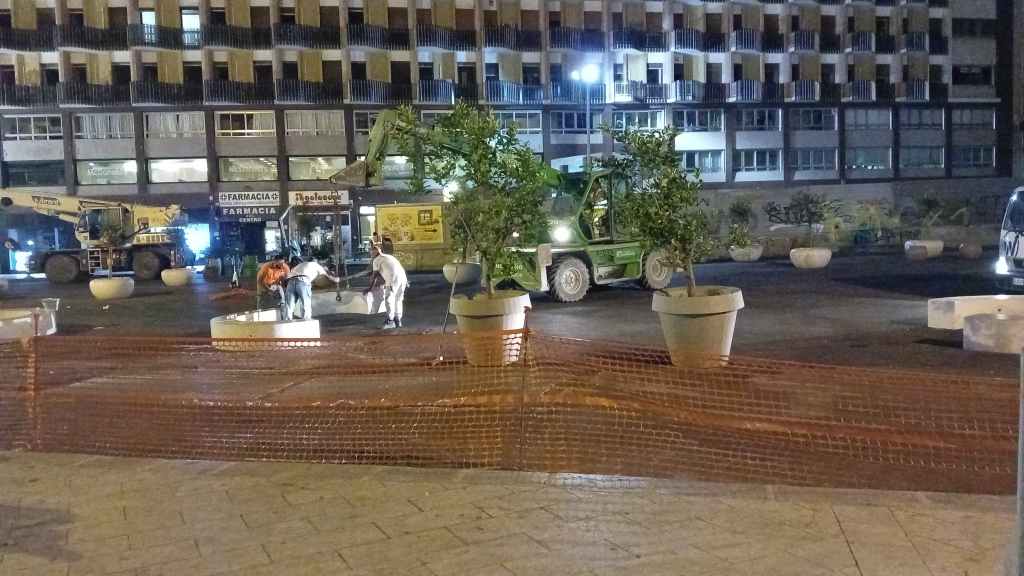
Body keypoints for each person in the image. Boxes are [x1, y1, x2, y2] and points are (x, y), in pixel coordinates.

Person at [364, 243, 407, 329]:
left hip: (392, 280)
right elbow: (391, 269)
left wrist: (369, 289)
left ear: (373, 254)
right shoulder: (390, 257)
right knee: (398, 300)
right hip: (403, 279)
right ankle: (398, 320)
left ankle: (390, 320)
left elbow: (375, 276)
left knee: (389, 299)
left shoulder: (376, 260)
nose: (371, 255)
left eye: (371, 253)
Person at [283, 257, 340, 321]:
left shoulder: (300, 265)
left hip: (290, 282)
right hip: (303, 280)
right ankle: (306, 321)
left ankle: (286, 321)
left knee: (289, 305)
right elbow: (327, 276)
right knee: (305, 304)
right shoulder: (316, 265)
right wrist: (336, 279)